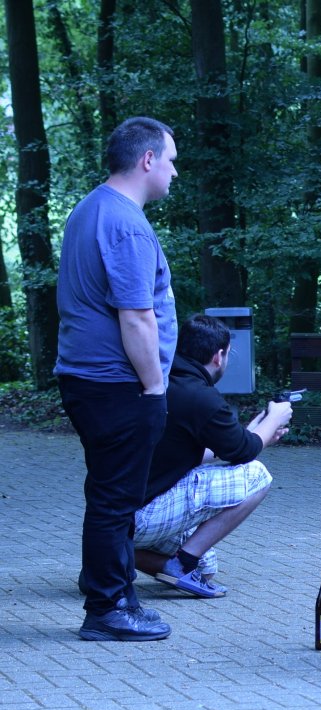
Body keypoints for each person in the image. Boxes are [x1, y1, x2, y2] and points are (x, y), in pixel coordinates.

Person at [55, 117, 179, 641]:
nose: (175, 172)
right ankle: (106, 610)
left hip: (92, 381)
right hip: (117, 385)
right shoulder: (125, 223)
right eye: (171, 160)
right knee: (113, 501)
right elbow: (136, 316)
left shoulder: (91, 208)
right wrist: (154, 387)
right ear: (147, 159)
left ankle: (120, 597)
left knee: (115, 496)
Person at [132, 314, 293, 599]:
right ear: (218, 356)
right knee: (257, 475)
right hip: (143, 515)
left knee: (206, 569)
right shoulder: (200, 396)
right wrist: (275, 418)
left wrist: (253, 433)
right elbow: (245, 452)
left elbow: (192, 452)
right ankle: (181, 562)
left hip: (121, 511)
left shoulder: (162, 380)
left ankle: (113, 555)